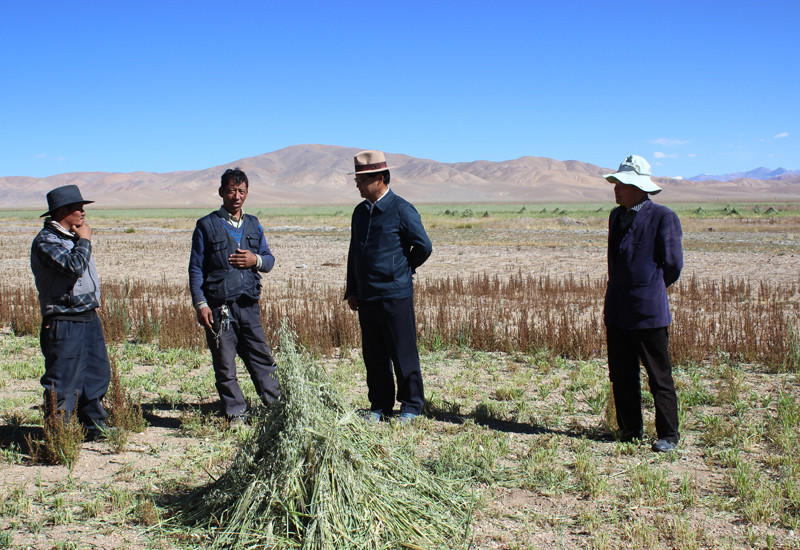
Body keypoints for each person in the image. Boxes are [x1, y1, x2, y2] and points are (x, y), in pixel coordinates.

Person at [344, 150, 433, 423]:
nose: (357, 184)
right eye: (356, 178)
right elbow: (354, 253)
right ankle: (380, 405)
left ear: (380, 178)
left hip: (395, 294)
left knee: (402, 352)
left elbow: (424, 247)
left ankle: (412, 405)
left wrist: (403, 269)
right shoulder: (360, 213)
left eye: (362, 179)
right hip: (367, 296)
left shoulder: (401, 210)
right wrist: (352, 289)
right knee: (374, 355)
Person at [603, 155, 683, 452]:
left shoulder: (663, 217)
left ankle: (668, 435)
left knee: (659, 375)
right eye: (615, 183)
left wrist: (651, 289)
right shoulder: (615, 216)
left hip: (649, 311)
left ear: (639, 187)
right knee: (621, 373)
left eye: (622, 184)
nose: (616, 189)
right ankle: (629, 429)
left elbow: (673, 264)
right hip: (618, 309)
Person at [189, 167, 280, 426]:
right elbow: (195, 268)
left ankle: (276, 405)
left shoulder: (253, 224)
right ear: (221, 192)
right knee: (225, 364)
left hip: (249, 305)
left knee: (261, 358)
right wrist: (201, 303)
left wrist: (256, 259)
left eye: (241, 191)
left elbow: (269, 260)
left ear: (247, 193)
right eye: (231, 191)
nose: (236, 196)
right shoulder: (206, 226)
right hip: (220, 308)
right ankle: (235, 413)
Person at [31, 184, 111, 440]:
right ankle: (58, 437)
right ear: (62, 211)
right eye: (78, 208)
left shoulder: (71, 239)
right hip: (63, 321)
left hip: (88, 317)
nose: (83, 212)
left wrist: (80, 240)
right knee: (63, 382)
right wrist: (85, 240)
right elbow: (73, 266)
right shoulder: (46, 241)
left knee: (96, 376)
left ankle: (93, 427)